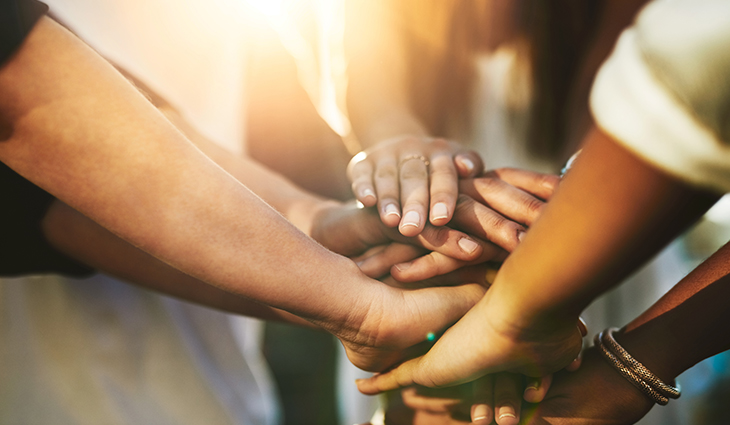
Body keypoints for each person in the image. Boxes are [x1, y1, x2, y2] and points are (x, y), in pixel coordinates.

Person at [357, 0, 729, 407]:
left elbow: (636, 109)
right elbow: (370, 88)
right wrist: (411, 159)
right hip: (431, 235)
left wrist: (516, 292)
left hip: (596, 225)